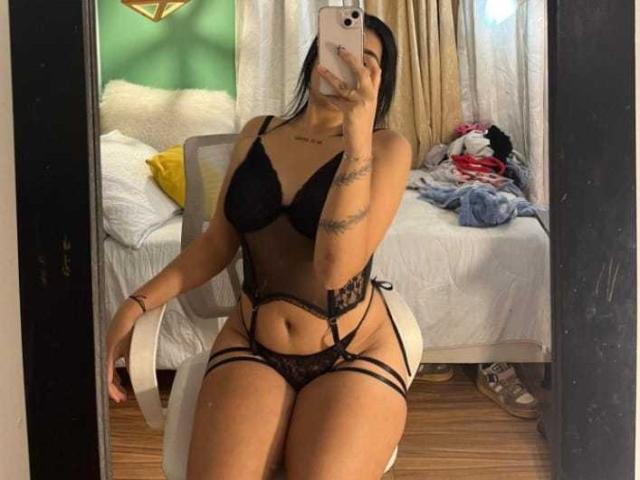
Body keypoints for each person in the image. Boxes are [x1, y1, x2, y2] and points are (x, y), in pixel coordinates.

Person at [106, 13, 416, 479]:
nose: (346, 64)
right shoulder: (258, 132)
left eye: (364, 60)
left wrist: (357, 144)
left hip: (353, 350)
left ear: (379, 82)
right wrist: (136, 302)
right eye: (337, 50)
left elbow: (336, 270)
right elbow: (217, 242)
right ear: (314, 57)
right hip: (252, 342)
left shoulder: (386, 148)